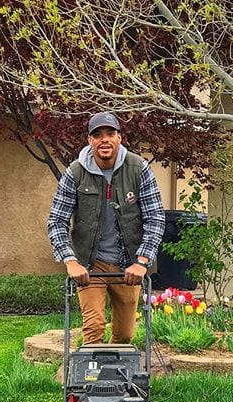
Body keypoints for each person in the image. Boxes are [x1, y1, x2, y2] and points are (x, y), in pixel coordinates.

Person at [48, 112, 165, 343]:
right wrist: (70, 261)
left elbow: (155, 218)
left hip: (128, 264)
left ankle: (117, 377)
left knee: (125, 335)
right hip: (91, 265)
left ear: (119, 137)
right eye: (97, 134)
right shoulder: (75, 172)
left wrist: (142, 262)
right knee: (93, 329)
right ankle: (91, 378)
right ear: (89, 140)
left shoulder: (138, 168)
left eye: (110, 133)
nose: (104, 139)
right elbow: (56, 221)